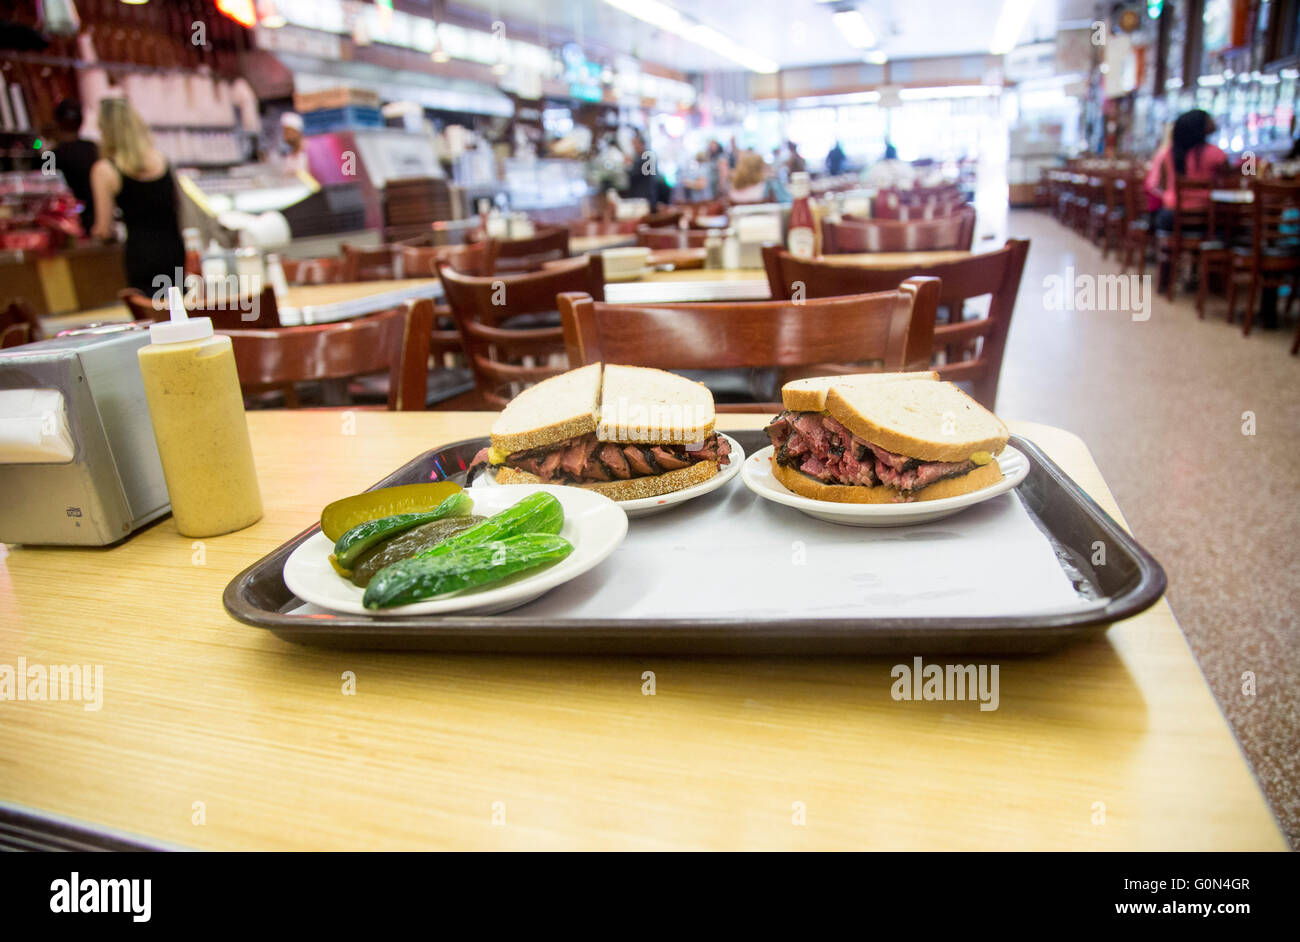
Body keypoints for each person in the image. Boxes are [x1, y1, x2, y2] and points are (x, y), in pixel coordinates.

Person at [89, 98, 185, 298]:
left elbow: (103, 229)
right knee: (179, 312)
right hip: (175, 250)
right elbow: (178, 206)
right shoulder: (162, 160)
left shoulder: (105, 170)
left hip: (141, 256)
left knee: (152, 318)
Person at [1144, 109, 1228, 230]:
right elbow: (1229, 180)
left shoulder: (1169, 153)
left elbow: (1160, 185)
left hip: (1170, 216)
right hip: (1205, 216)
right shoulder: (1214, 153)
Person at [50, 99, 99, 236]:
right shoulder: (93, 148)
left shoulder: (51, 154)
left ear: (57, 123)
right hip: (96, 218)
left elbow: (46, 189)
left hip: (67, 224)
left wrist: (39, 142)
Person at [620, 129, 672, 209]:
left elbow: (633, 174)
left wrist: (627, 164)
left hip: (644, 198)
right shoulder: (646, 156)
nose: (634, 147)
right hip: (646, 197)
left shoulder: (645, 157)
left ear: (641, 144)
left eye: (635, 144)